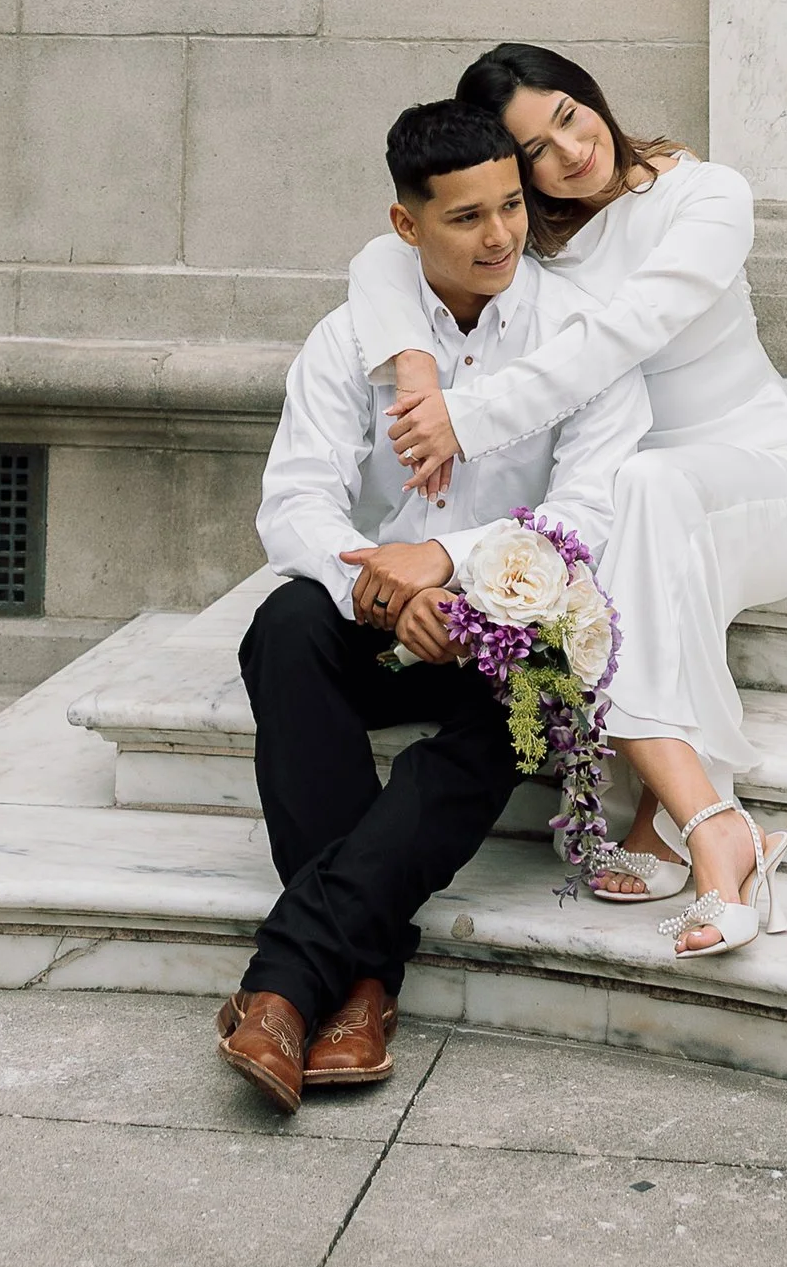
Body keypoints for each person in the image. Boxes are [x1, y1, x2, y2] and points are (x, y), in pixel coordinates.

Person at [349, 44, 787, 960]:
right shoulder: (537, 247)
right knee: (639, 490)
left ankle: (688, 818)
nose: (570, 152)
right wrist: (417, 362)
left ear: (594, 98)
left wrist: (467, 414)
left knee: (649, 485)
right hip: (643, 503)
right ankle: (702, 822)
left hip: (773, 481)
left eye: (571, 114)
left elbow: (626, 332)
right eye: (534, 149)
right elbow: (384, 259)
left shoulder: (707, 196)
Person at [217, 97, 649, 1117]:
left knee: (525, 704)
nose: (498, 235)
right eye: (465, 218)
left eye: (509, 207)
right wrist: (378, 589)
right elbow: (293, 502)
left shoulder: (579, 335)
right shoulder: (345, 341)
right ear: (405, 225)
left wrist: (444, 568)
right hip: (378, 613)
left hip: (514, 620)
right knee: (283, 629)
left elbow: (585, 509)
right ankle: (361, 981)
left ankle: (290, 981)